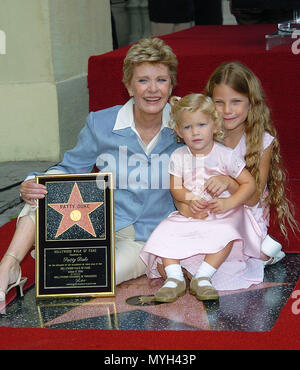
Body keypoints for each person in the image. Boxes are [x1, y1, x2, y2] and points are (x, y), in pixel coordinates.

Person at [0, 37, 181, 302]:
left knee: (89, 278)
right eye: (143, 80)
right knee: (44, 189)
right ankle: (9, 266)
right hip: (97, 223)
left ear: (172, 85)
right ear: (129, 86)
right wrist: (32, 183)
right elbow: (70, 167)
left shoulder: (184, 125)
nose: (152, 89)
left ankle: (55, 255)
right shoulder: (101, 123)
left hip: (145, 238)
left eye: (161, 80)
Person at [140, 93, 262, 303]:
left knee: (226, 233)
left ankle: (204, 276)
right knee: (166, 230)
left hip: (222, 214)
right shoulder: (179, 156)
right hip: (191, 213)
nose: (195, 132)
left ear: (214, 125)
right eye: (188, 127)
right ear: (178, 131)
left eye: (202, 125)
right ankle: (174, 278)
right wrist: (189, 198)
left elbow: (249, 184)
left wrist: (228, 203)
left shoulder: (225, 155)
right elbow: (175, 188)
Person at [178, 61, 298, 266]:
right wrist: (189, 206)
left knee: (226, 251)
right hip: (211, 209)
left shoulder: (262, 141)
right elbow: (187, 182)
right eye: (219, 102)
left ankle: (259, 250)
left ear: (251, 103)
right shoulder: (204, 136)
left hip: (246, 213)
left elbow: (252, 200)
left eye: (236, 101)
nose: (227, 110)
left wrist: (229, 182)